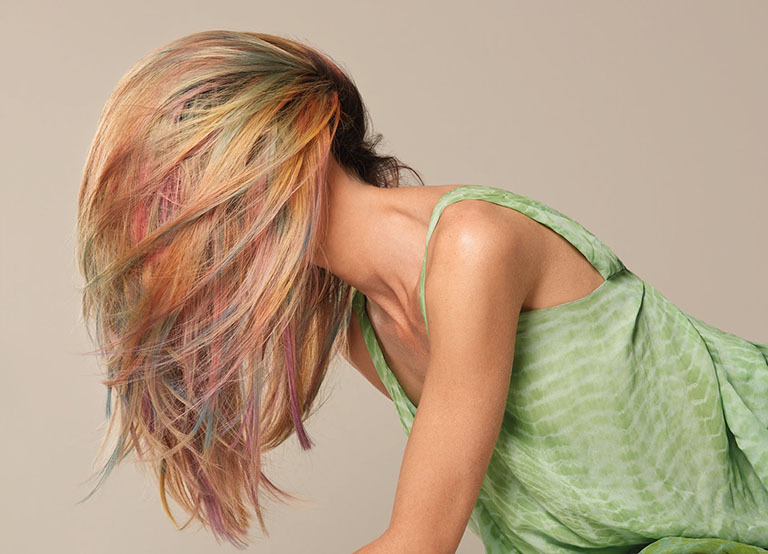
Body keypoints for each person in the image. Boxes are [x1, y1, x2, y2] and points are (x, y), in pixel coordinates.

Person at [75, 30, 768, 553]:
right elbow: (545, 499)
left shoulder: (470, 247)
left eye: (190, 196)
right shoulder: (361, 327)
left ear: (283, 149)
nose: (186, 236)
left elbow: (419, 543)